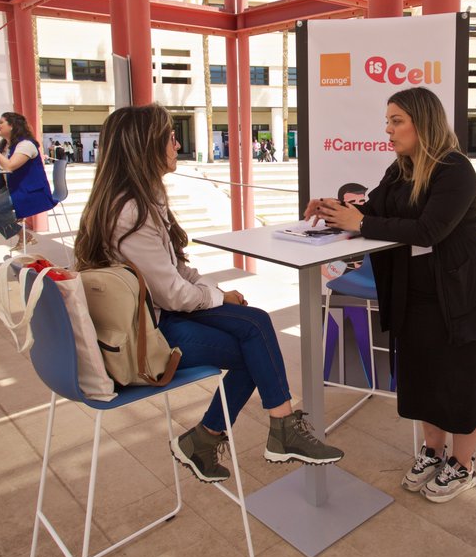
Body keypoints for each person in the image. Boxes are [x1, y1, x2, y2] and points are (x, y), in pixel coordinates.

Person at [75, 104, 343, 483]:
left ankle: (220, 438)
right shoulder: (131, 212)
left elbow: (173, 272)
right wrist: (212, 296)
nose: (176, 143)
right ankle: (267, 431)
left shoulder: (139, 199)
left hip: (152, 315)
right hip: (145, 336)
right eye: (169, 137)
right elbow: (172, 294)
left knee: (257, 328)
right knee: (257, 348)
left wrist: (214, 291)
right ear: (144, 146)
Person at [306, 87, 476, 503]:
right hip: (414, 294)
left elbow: (429, 230)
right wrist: (328, 208)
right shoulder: (400, 168)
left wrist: (362, 223)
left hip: (460, 295)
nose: (388, 129)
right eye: (388, 121)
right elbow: (371, 210)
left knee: (462, 380)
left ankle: (463, 465)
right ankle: (433, 452)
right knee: (424, 378)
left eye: (397, 121)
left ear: (423, 122)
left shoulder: (455, 171)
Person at [0, 112, 56, 250]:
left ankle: (23, 235)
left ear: (12, 126)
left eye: (1, 122)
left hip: (31, 190)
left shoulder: (26, 145)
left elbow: (10, 166)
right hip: (15, 188)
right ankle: (22, 235)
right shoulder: (5, 145)